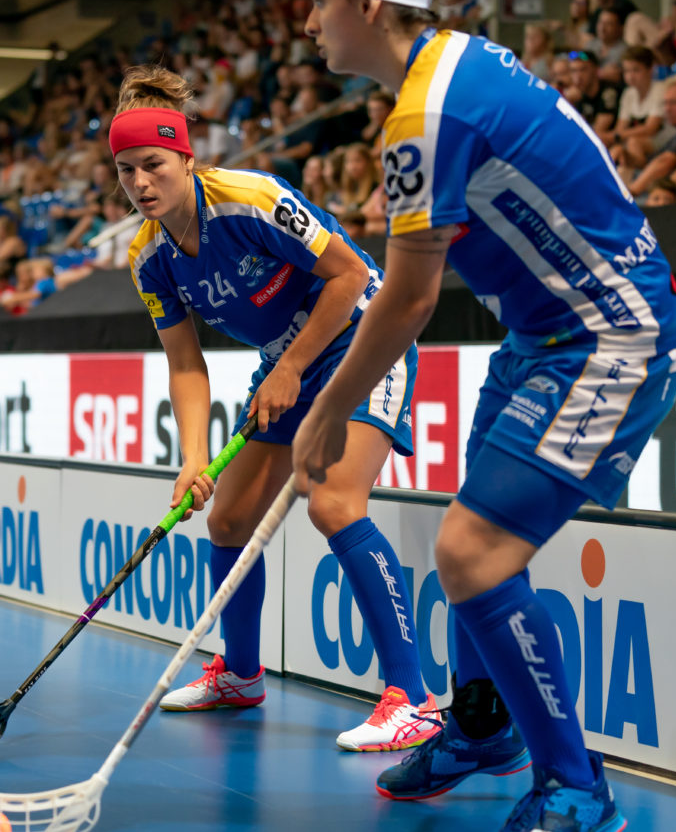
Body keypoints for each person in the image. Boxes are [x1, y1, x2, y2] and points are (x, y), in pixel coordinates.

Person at [297, 0, 676, 831]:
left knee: (471, 552)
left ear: (370, 5)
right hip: (541, 334)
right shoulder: (447, 67)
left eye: (321, 0)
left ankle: (577, 790)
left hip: (609, 337)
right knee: (470, 547)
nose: (308, 19)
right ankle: (481, 727)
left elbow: (407, 299)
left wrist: (328, 408)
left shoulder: (424, 114)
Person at [111, 64, 442, 752]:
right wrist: (194, 458)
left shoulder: (251, 199)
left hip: (363, 338)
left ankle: (413, 699)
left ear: (186, 159)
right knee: (228, 517)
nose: (140, 183)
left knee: (334, 504)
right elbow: (185, 364)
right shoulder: (148, 258)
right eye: (126, 170)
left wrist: (290, 367)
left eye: (153, 165)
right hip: (287, 360)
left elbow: (350, 274)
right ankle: (240, 673)